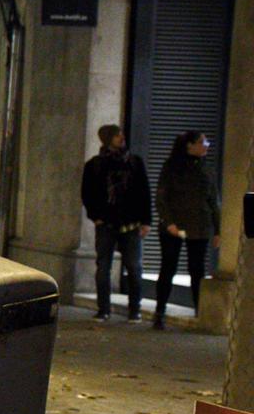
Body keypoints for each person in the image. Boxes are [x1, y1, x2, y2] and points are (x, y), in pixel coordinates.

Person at [80, 122, 150, 320]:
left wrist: (146, 221)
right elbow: (88, 194)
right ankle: (104, 309)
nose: (122, 138)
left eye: (122, 135)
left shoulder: (135, 162)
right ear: (108, 139)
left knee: (134, 267)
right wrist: (96, 217)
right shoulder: (95, 165)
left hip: (131, 223)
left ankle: (134, 309)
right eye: (117, 135)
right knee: (104, 266)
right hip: (107, 223)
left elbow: (144, 192)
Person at [153, 129, 221, 329]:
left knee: (197, 269)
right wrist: (169, 222)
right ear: (189, 145)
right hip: (174, 226)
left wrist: (218, 229)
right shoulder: (172, 167)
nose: (206, 145)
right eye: (202, 142)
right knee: (168, 267)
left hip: (199, 225)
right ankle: (160, 311)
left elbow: (214, 201)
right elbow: (162, 198)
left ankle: (200, 313)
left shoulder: (207, 169)